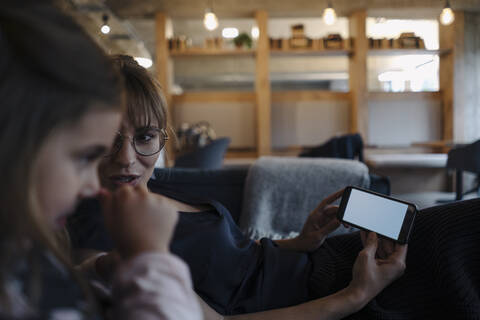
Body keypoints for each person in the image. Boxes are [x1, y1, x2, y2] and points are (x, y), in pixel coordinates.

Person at [69, 55, 480, 319]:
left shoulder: (153, 195)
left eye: (144, 137)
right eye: (108, 138)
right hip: (321, 299)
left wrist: (300, 241)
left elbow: (238, 259)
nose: (126, 159)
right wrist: (356, 295)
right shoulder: (102, 234)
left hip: (325, 263)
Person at [0, 2, 201, 319]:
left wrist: (97, 270)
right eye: (84, 157)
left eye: (146, 137)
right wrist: (151, 258)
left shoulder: (24, 253)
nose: (93, 182)